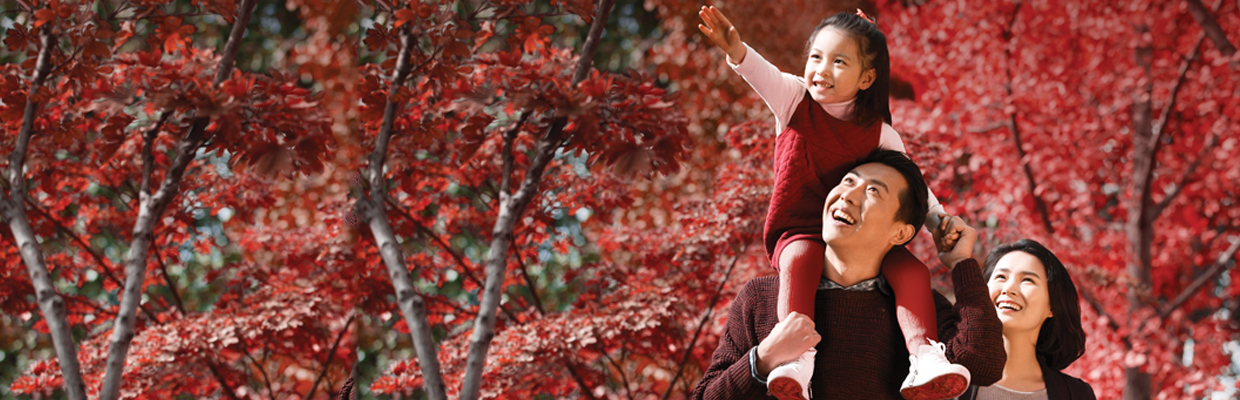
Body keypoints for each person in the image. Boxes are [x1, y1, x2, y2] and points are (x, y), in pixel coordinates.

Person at [698, 6, 968, 399]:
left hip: (858, 234)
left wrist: (940, 221)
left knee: (912, 272)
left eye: (839, 61)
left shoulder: (879, 134)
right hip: (800, 227)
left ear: (867, 77)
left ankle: (925, 358)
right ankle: (798, 357)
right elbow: (763, 76)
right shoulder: (795, 99)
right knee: (801, 259)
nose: (822, 69)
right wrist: (738, 51)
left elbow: (914, 186)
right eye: (816, 57)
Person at [691, 149, 1005, 400]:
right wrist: (763, 359)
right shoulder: (760, 298)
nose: (848, 195)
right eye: (848, 182)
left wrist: (962, 263)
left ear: (900, 232)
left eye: (873, 191)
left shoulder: (921, 309)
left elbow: (984, 363)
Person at [953, 240, 1095, 399]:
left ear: (1053, 307)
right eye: (1001, 277)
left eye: (1027, 280)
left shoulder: (1076, 395)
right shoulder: (944, 379)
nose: (1008, 289)